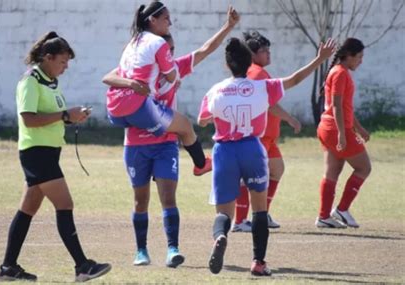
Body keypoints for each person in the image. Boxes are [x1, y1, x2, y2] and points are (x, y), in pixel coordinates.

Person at [102, 6, 240, 268]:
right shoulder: (137, 65)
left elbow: (204, 50)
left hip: (165, 144)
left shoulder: (174, 67)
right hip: (135, 143)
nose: (173, 55)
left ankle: (172, 249)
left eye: (173, 50)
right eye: (169, 50)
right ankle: (141, 251)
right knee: (140, 200)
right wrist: (130, 85)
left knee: (168, 197)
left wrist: (228, 27)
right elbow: (110, 76)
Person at [198, 37, 335, 276]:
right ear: (249, 61)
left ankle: (220, 236)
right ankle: (258, 262)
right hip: (252, 148)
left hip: (225, 151)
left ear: (228, 65)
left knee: (223, 213)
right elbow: (294, 79)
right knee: (259, 209)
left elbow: (202, 120)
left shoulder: (215, 90)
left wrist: (215, 116)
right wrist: (320, 59)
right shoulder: (262, 86)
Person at [0, 31, 111, 282]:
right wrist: (63, 115)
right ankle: (82, 266)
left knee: (27, 209)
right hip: (37, 154)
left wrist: (72, 117)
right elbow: (28, 119)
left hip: (47, 152)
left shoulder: (49, 81)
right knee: (65, 204)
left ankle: (8, 267)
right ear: (47, 58)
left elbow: (53, 116)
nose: (66, 67)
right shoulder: (30, 81)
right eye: (62, 62)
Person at [105, 1, 211, 176]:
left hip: (116, 110)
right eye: (166, 18)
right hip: (140, 107)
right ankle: (200, 165)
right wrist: (172, 75)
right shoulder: (158, 43)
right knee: (185, 125)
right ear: (153, 20)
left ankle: (160, 168)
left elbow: (110, 76)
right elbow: (170, 76)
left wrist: (131, 83)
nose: (170, 23)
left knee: (140, 202)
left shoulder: (133, 43)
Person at [232, 31, 302, 233]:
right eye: (264, 51)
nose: (268, 53)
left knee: (277, 169)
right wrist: (290, 118)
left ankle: (261, 215)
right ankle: (240, 220)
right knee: (250, 177)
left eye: (268, 49)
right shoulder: (256, 72)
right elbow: (268, 103)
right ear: (252, 55)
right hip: (259, 136)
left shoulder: (258, 72)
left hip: (268, 137)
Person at [315, 38, 371, 228]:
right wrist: (342, 133)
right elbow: (337, 106)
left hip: (329, 127)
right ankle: (342, 209)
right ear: (348, 56)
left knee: (333, 171)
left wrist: (359, 128)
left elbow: (345, 107)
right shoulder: (340, 73)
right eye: (359, 57)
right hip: (335, 129)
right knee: (364, 168)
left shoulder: (340, 72)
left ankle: (323, 216)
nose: (361, 61)